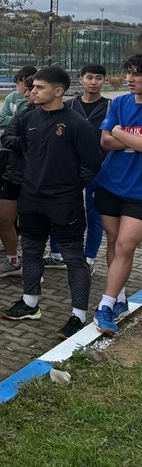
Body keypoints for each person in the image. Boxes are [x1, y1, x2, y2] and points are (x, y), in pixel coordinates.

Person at [0, 66, 105, 339]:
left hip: (64, 202)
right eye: (32, 87)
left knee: (73, 258)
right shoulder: (28, 118)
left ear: (58, 91)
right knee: (31, 250)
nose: (32, 91)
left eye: (39, 87)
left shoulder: (76, 123)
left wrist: (69, 187)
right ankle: (30, 303)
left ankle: (78, 316)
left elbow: (92, 164)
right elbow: (20, 147)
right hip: (31, 198)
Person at [93, 54, 142, 335]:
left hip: (139, 192)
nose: (130, 79)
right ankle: (119, 296)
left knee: (125, 246)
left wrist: (119, 132)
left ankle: (105, 306)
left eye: (137, 74)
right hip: (110, 184)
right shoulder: (120, 102)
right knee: (113, 241)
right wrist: (129, 138)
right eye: (129, 72)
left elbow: (115, 136)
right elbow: (105, 140)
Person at [52, 64, 109, 270]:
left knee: (94, 215)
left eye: (98, 78)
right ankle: (56, 253)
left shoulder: (110, 107)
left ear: (104, 81)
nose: (94, 82)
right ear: (81, 79)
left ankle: (89, 257)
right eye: (89, 77)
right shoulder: (68, 106)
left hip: (99, 169)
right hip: (69, 169)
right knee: (61, 211)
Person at [0, 76, 36, 279]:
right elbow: (7, 137)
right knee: (3, 218)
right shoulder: (25, 114)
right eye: (28, 89)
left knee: (33, 224)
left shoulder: (64, 118)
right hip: (15, 174)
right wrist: (30, 141)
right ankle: (12, 261)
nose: (27, 93)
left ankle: (33, 265)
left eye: (34, 89)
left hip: (39, 179)